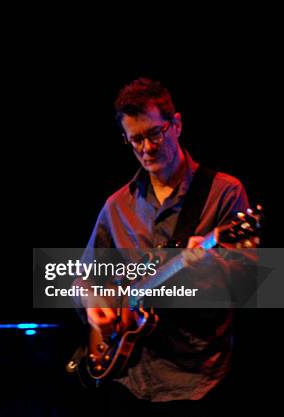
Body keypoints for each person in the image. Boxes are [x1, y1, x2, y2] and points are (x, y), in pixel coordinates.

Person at [72, 78, 254, 416]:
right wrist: (94, 303)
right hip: (130, 379)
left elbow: (250, 284)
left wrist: (210, 269)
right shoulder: (116, 206)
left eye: (155, 133)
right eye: (135, 139)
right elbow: (83, 279)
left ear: (177, 124)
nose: (147, 148)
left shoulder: (224, 193)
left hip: (198, 380)